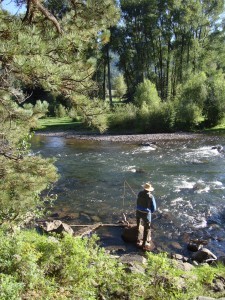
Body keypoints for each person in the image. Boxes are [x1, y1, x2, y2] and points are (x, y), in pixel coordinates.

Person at [136, 182, 156, 251]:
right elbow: (154, 208)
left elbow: (138, 202)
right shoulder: (151, 197)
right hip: (146, 213)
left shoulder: (139, 193)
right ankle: (144, 243)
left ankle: (138, 239)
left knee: (138, 224)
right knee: (147, 227)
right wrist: (151, 212)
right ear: (150, 190)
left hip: (138, 211)